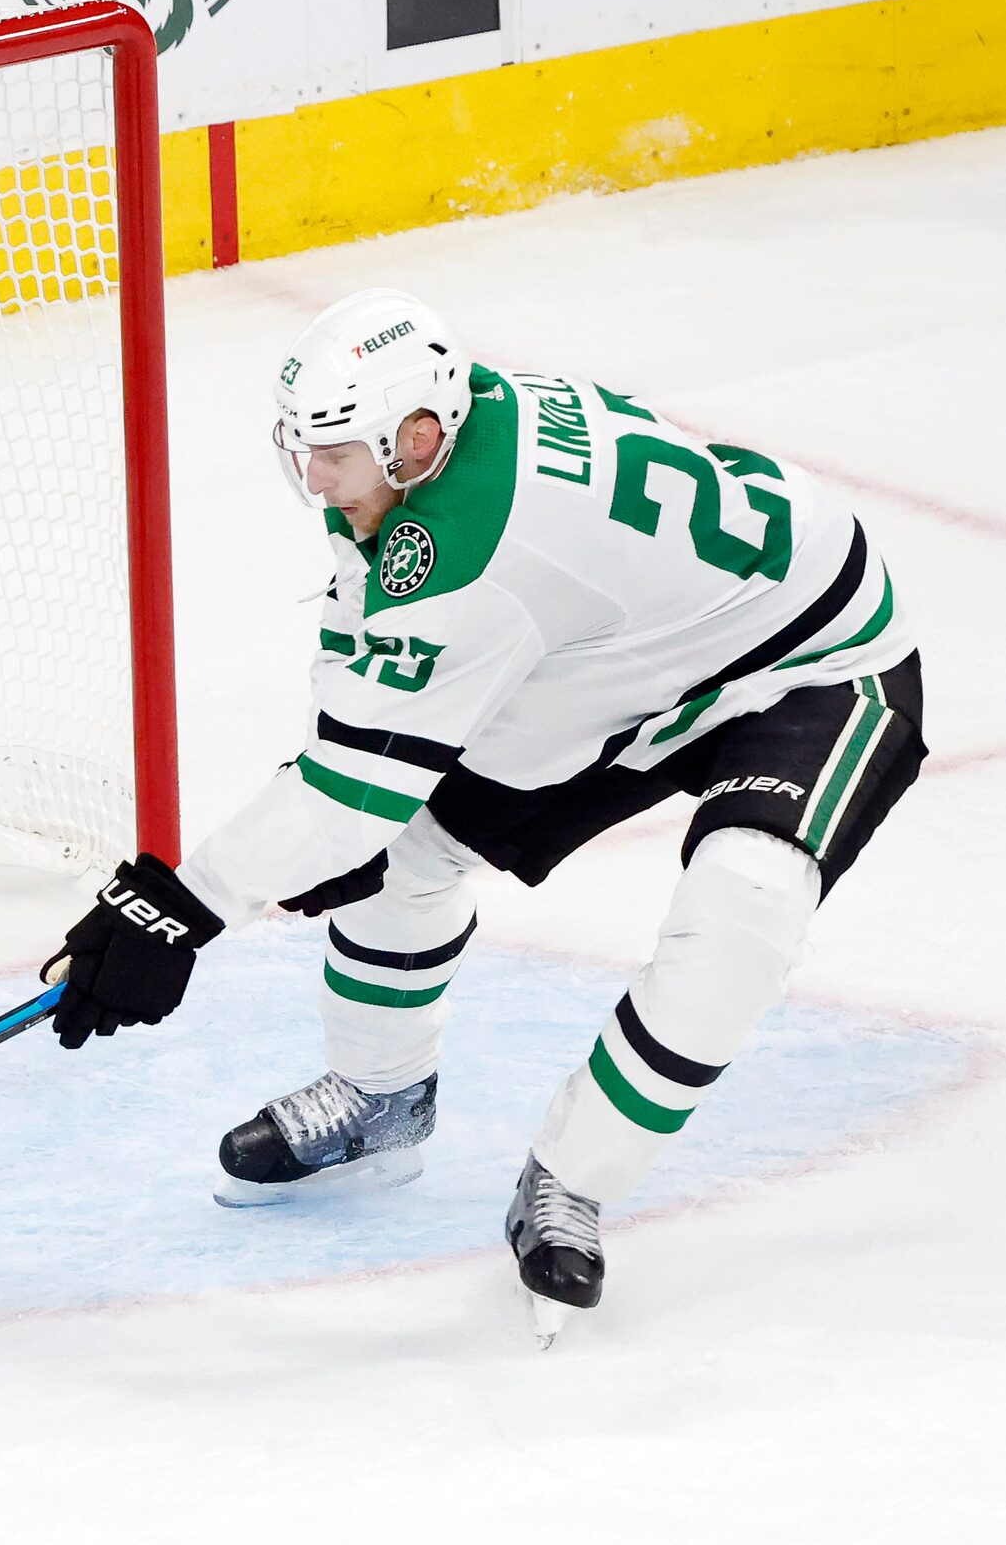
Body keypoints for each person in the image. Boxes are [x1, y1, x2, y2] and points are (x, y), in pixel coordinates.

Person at [47, 289, 924, 1336]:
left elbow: (344, 788)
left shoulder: (470, 541)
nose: (312, 480)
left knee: (747, 901)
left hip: (815, 662)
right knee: (398, 844)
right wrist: (315, 832)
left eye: (336, 452)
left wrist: (177, 911)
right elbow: (355, 760)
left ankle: (572, 1177)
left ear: (417, 439)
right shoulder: (431, 465)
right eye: (301, 446)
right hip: (623, 655)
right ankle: (380, 1101)